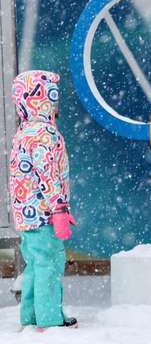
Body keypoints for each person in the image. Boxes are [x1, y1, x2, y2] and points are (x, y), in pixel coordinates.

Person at [9, 70, 77, 331]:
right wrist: (59, 208)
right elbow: (48, 174)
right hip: (44, 214)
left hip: (27, 215)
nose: (56, 105)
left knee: (36, 265)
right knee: (49, 264)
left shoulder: (24, 132)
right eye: (53, 98)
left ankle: (31, 315)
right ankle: (49, 319)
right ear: (43, 100)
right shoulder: (44, 135)